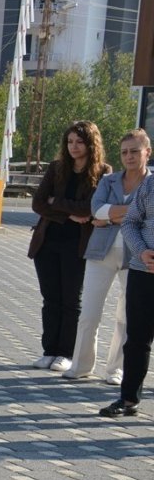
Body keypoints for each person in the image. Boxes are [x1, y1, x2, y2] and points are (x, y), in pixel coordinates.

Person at [67, 129, 150, 383]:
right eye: (125, 152)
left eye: (135, 151)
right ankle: (80, 366)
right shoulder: (109, 180)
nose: (129, 157)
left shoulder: (151, 184)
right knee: (89, 312)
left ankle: (115, 369)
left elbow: (140, 218)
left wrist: (110, 216)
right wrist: (129, 214)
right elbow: (96, 211)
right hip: (100, 251)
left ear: (148, 152)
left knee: (126, 316)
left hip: (136, 255)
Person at [28, 121, 109, 373]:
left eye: (80, 141)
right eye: (70, 141)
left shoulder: (102, 172)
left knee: (71, 300)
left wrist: (58, 202)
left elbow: (89, 208)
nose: (73, 146)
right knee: (50, 298)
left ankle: (66, 353)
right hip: (48, 242)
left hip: (78, 245)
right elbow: (39, 203)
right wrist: (68, 214)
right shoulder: (56, 168)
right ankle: (49, 350)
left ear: (91, 144)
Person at [102, 167, 154, 417]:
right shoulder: (149, 185)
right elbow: (131, 223)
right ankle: (128, 398)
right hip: (142, 272)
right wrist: (142, 252)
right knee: (136, 339)